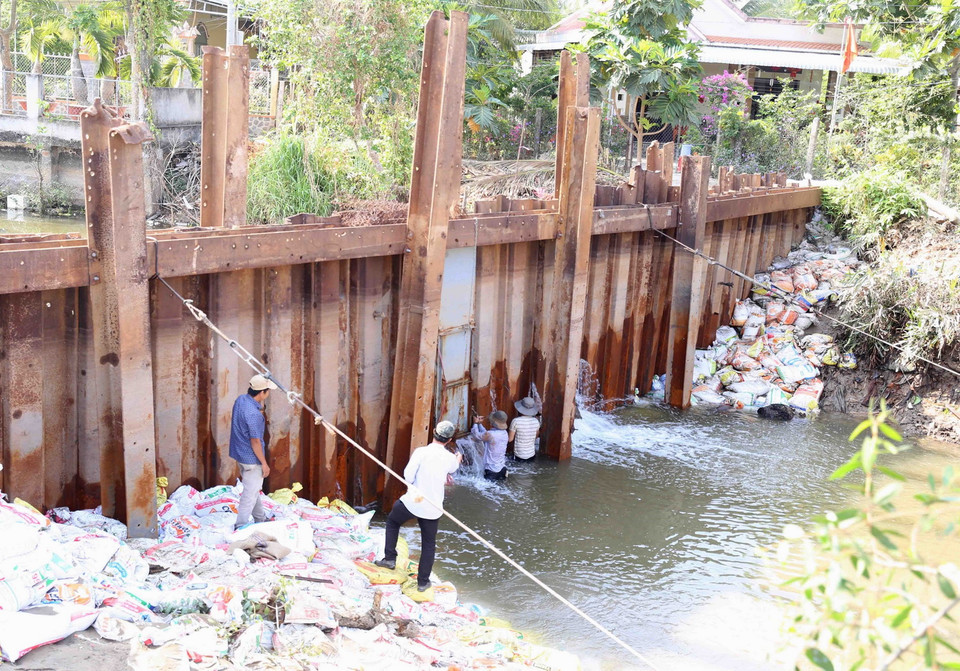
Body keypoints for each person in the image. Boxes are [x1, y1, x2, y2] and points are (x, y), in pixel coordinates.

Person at [375, 420, 462, 591]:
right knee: (428, 544)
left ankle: (390, 559)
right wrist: (457, 458)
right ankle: (423, 582)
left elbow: (408, 476)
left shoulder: (421, 452)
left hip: (413, 502)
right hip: (433, 507)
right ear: (449, 440)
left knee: (393, 522)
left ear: (434, 432)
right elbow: (452, 469)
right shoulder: (450, 458)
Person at [230, 373, 278, 530]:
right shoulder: (254, 414)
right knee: (249, 494)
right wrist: (264, 463)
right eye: (268, 391)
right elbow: (255, 441)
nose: (268, 393)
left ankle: (260, 519)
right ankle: (241, 525)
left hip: (239, 454)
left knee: (253, 488)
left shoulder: (240, 401)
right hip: (251, 459)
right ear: (262, 393)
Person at [472, 410, 508, 480]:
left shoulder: (490, 434)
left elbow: (476, 435)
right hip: (502, 469)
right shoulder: (504, 433)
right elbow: (486, 434)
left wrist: (475, 423)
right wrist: (479, 424)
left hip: (491, 471)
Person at [510, 396, 541, 462]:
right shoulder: (536, 421)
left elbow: (510, 439)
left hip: (519, 456)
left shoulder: (516, 421)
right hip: (531, 455)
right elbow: (536, 436)